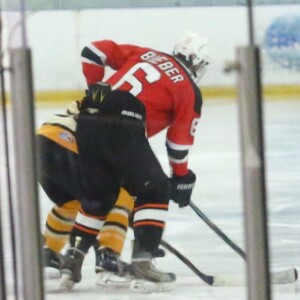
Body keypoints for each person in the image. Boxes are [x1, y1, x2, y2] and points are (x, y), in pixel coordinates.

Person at [40, 31, 209, 289]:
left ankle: (64, 260)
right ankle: (123, 261)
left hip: (70, 128)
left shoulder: (144, 53)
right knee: (143, 190)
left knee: (94, 197)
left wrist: (96, 89)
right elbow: (178, 142)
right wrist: (181, 177)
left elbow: (93, 51)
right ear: (197, 62)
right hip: (110, 130)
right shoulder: (188, 88)